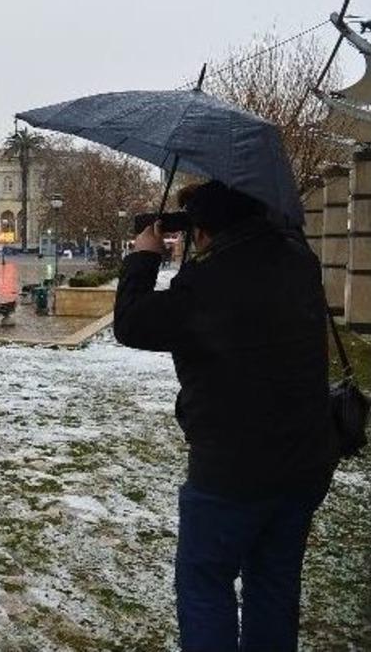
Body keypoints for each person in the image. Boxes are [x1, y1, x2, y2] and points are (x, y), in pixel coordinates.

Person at [113, 181, 337, 652]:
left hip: (232, 470)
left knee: (205, 582)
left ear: (202, 229)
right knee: (274, 586)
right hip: (305, 460)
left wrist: (144, 256)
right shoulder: (299, 260)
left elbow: (133, 323)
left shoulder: (210, 281)